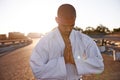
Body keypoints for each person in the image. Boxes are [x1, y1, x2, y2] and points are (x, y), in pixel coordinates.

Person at [30, 4, 104, 80]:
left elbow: (99, 65)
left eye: (72, 25)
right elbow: (37, 71)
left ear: (75, 19)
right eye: (64, 26)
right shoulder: (46, 41)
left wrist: (74, 61)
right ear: (56, 20)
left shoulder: (83, 39)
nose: (68, 29)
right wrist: (63, 61)